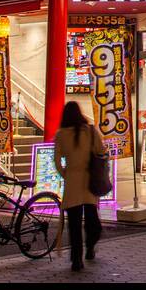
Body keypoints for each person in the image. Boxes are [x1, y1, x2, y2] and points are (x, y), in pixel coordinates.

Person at [53, 101, 105, 271]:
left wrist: (66, 174)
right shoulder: (90, 131)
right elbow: (101, 151)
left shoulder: (60, 135)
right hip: (89, 181)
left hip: (72, 183)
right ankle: (90, 247)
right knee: (92, 220)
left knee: (74, 224)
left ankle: (77, 260)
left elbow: (57, 161)